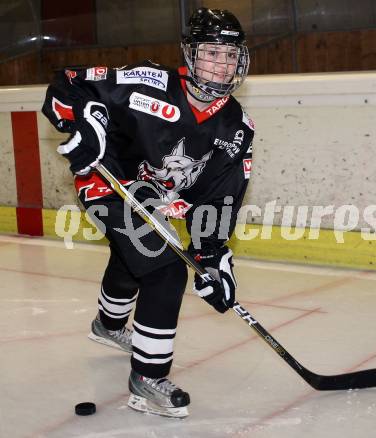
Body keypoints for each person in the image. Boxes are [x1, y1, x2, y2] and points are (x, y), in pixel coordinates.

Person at [42, 7, 254, 418]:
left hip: (153, 201)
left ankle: (108, 324)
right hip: (108, 183)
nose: (222, 65)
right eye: (212, 52)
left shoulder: (238, 128)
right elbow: (68, 85)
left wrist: (213, 254)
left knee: (132, 257)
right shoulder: (148, 81)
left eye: (230, 55)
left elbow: (221, 196)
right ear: (190, 54)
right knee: (164, 268)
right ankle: (148, 378)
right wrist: (87, 124)